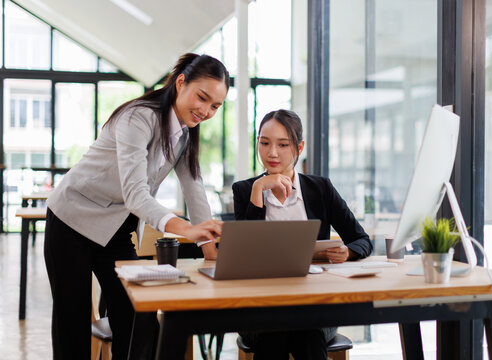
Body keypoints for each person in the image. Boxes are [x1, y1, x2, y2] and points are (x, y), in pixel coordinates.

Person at [44, 53, 229, 359]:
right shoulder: (138, 117)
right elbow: (136, 195)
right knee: (72, 322)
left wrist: (211, 250)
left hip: (115, 230)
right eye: (202, 97)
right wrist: (188, 229)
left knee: (137, 317)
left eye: (215, 106)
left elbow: (195, 190)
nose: (206, 110)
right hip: (72, 220)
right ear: (181, 82)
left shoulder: (185, 134)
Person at [232, 109, 373, 360]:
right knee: (283, 332)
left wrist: (348, 251)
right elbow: (242, 256)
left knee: (304, 331)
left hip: (314, 305)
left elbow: (362, 240)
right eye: (264, 143)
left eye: (283, 145)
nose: (272, 153)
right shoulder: (245, 190)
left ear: (299, 147)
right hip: (260, 308)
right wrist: (258, 189)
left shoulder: (321, 189)